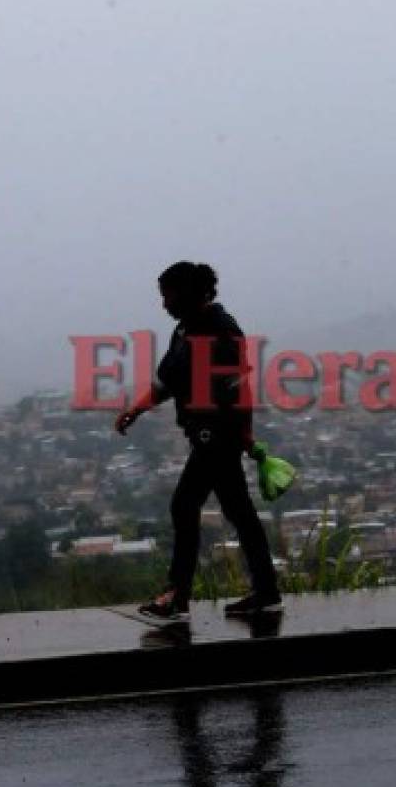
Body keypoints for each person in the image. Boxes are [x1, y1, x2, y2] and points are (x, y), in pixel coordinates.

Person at [115, 261, 282, 625]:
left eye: (170, 296)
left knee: (184, 505)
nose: (165, 304)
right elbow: (167, 383)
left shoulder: (222, 330)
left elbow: (240, 386)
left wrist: (245, 433)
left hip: (218, 434)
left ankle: (177, 595)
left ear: (191, 293)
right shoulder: (184, 333)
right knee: (239, 512)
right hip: (203, 433)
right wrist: (136, 409)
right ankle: (266, 591)